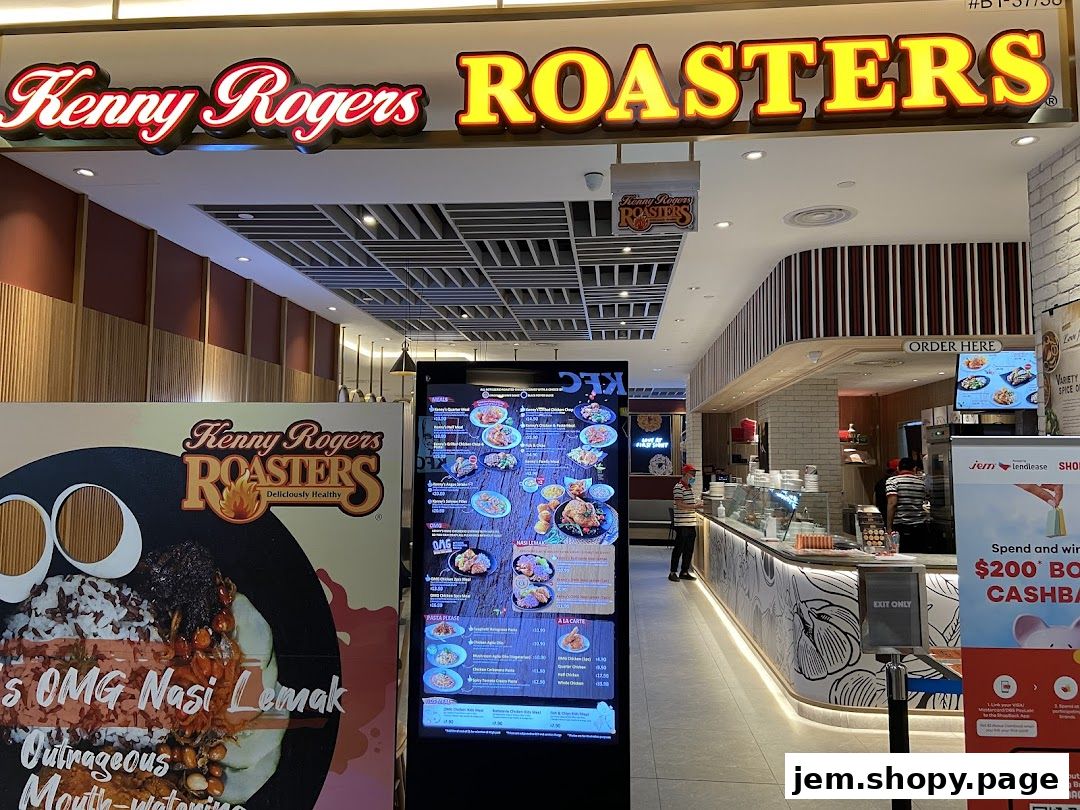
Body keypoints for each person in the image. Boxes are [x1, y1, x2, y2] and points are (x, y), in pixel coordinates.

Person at [886, 457, 932, 553]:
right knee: (920, 556)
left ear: (898, 468)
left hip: (901, 526)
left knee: (901, 555)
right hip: (920, 527)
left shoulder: (892, 481)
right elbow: (926, 499)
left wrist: (889, 527)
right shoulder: (921, 483)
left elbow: (892, 503)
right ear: (914, 468)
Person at [670, 464, 702, 582]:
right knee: (679, 548)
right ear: (686, 474)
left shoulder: (689, 487)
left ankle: (684, 571)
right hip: (682, 523)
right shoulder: (678, 487)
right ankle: (673, 572)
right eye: (692, 473)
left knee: (689, 549)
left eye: (695, 473)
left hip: (690, 523)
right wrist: (695, 506)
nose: (694, 476)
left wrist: (696, 505)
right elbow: (679, 505)